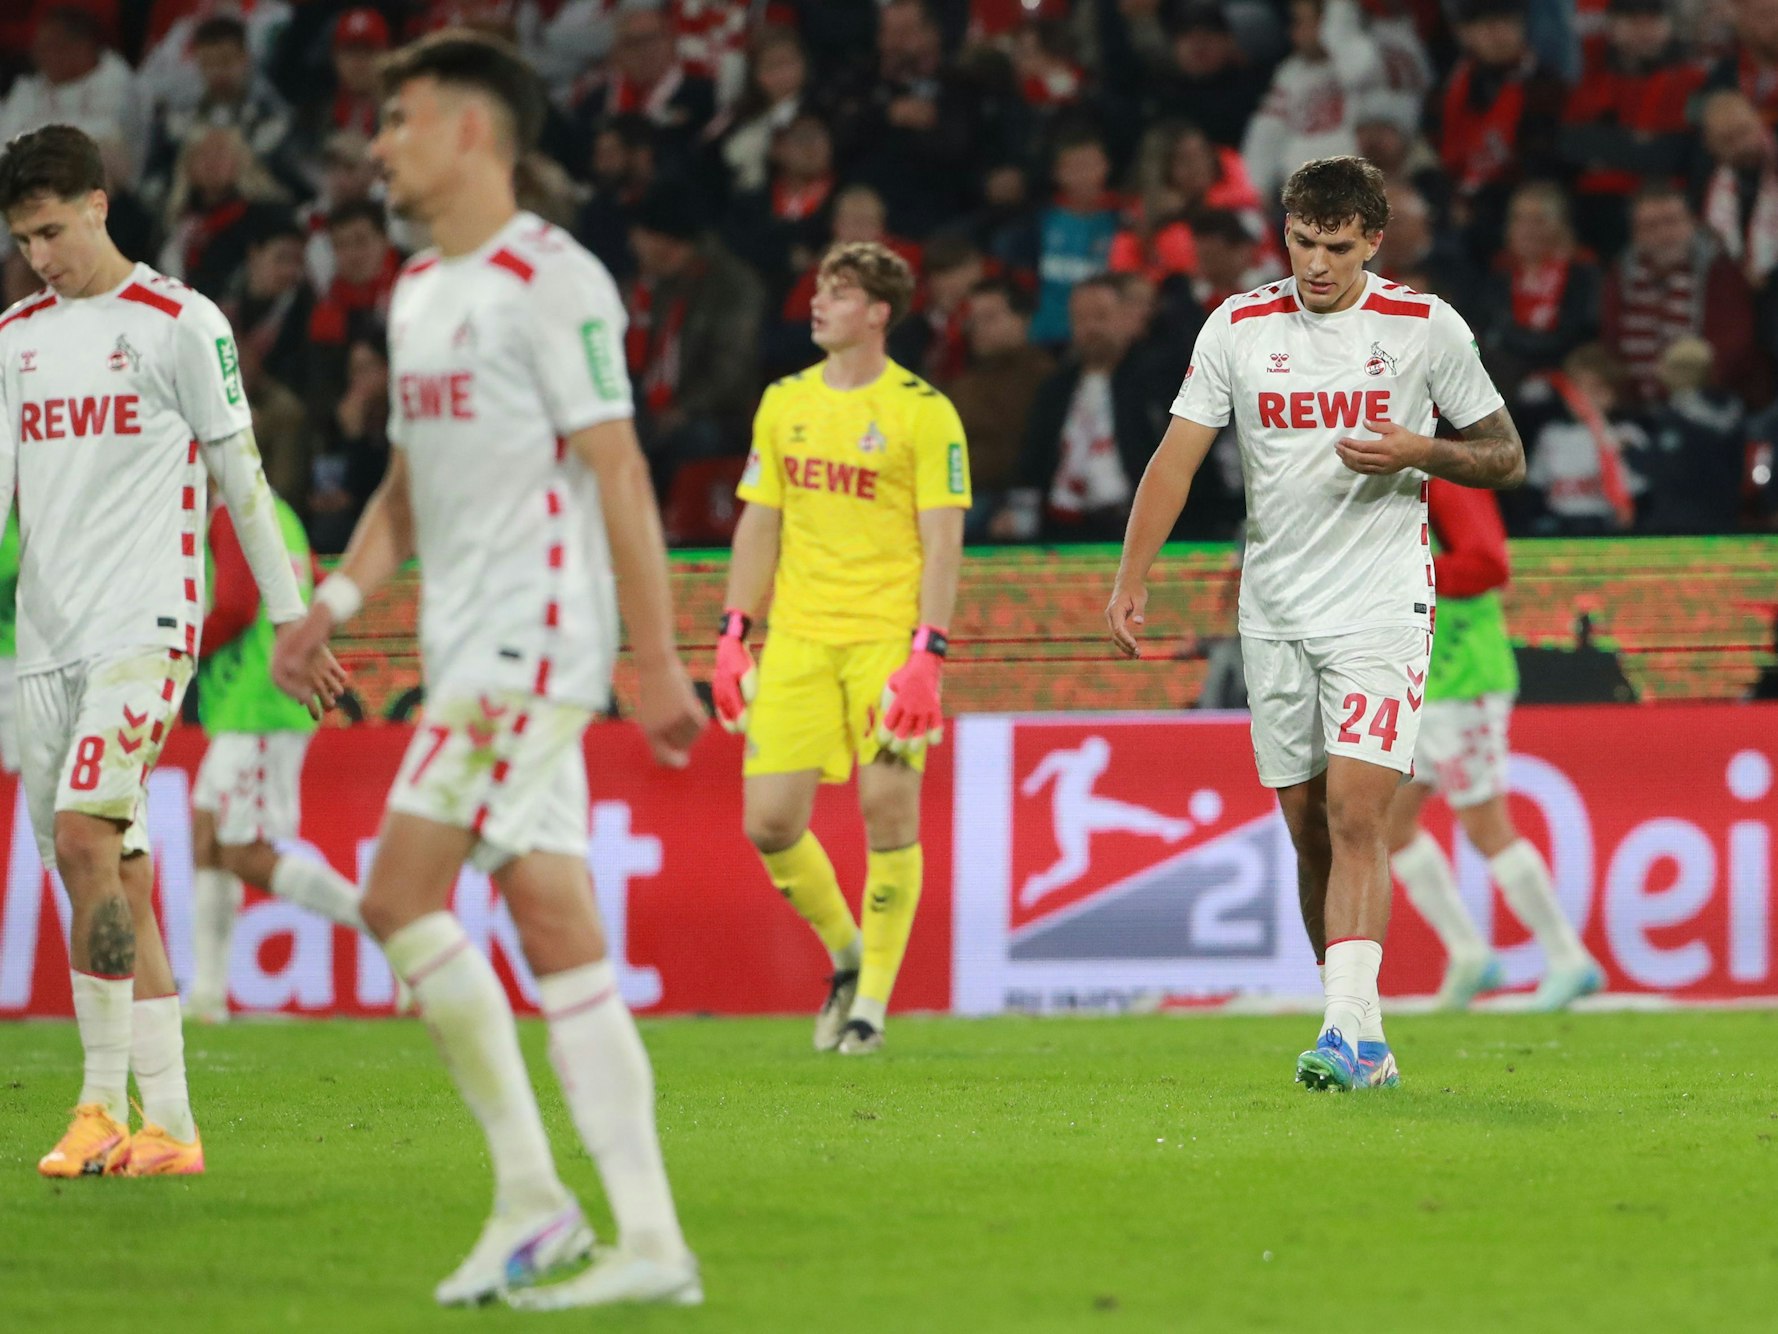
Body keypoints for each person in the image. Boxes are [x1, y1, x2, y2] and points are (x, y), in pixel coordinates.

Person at [270, 32, 702, 1310]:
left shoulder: (551, 279)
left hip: (530, 644)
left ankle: (531, 1193)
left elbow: (617, 465)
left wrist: (657, 655)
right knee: (559, 927)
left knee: (402, 897)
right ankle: (648, 1239)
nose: (377, 145)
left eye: (397, 120)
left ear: (469, 132)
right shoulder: (415, 292)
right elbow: (408, 482)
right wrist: (332, 600)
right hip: (468, 644)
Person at [1107, 156, 1526, 1093]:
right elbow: (1175, 460)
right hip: (1276, 611)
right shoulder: (1240, 326)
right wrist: (1133, 577)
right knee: (1309, 835)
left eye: (1338, 247)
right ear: (1284, 232)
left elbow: (1506, 455)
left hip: (1382, 606)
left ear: (1374, 241)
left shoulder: (1425, 327)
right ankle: (1361, 1034)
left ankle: (1346, 1031)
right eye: (1303, 242)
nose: (1318, 265)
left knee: (1357, 811)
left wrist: (1422, 450)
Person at [0, 123, 341, 1177]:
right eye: (23, 239)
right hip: (46, 642)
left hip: (146, 630)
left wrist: (291, 620)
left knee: (80, 833)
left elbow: (242, 478)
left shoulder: (178, 322)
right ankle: (174, 1125)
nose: (42, 256)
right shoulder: (13, 334)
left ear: (101, 203)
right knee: (100, 864)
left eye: (53, 229)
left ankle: (100, 1101)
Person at [712, 240, 970, 1056]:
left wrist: (927, 652)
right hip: (797, 639)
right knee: (770, 822)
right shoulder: (783, 402)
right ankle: (850, 958)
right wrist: (731, 631)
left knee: (887, 815)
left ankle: (871, 1012)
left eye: (840, 293)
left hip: (886, 641)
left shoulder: (923, 411)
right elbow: (760, 520)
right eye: (820, 289)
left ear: (879, 313)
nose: (819, 304)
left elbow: (943, 542)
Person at [1385, 480, 1605, 1011]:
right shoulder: (1393, 476)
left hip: (1465, 680)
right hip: (1420, 681)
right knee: (1389, 822)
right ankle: (1469, 954)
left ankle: (1569, 959)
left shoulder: (1443, 476)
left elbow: (1489, 565)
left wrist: (1394, 579)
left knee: (1485, 824)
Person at [188, 489, 367, 1024]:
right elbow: (302, 581)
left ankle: (387, 927)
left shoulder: (228, 513)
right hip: (252, 701)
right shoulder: (280, 511)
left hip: (259, 702)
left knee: (244, 853)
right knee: (205, 832)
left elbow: (238, 607)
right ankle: (208, 995)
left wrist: (173, 647)